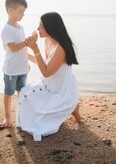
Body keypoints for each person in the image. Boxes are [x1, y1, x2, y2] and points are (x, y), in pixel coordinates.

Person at [16, 12, 81, 141]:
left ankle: (73, 108)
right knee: (25, 93)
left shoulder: (61, 48)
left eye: (41, 26)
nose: (38, 29)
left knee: (41, 118)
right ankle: (72, 109)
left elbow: (46, 72)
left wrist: (35, 49)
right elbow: (45, 64)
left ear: (51, 27)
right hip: (49, 83)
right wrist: (25, 55)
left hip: (61, 89)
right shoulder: (47, 42)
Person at [1, 0, 29, 127]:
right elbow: (13, 48)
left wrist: (26, 62)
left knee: (21, 92)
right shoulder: (7, 30)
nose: (22, 15)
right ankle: (7, 117)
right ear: (10, 10)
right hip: (11, 69)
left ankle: (21, 114)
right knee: (9, 93)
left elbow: (23, 49)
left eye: (24, 12)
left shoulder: (20, 27)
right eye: (20, 12)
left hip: (22, 68)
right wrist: (26, 42)